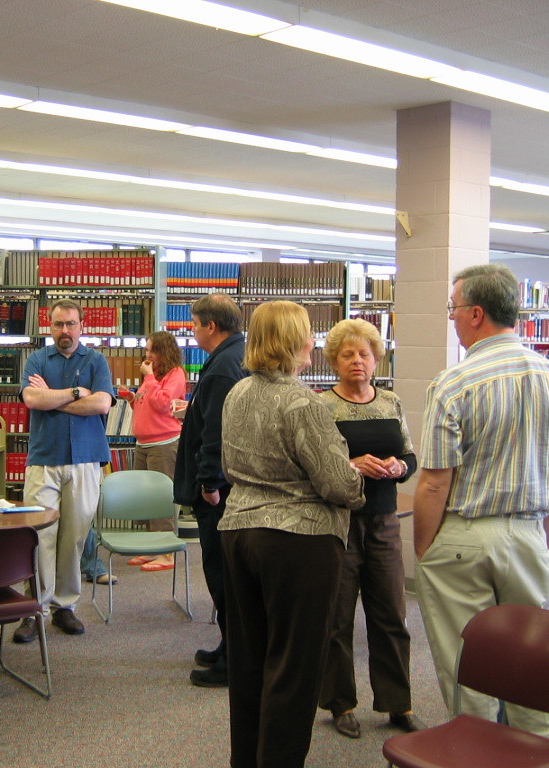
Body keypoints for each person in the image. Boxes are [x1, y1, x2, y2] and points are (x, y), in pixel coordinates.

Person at [414, 263, 549, 740]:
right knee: (530, 669)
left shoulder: (454, 383)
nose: (452, 318)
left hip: (464, 535)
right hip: (530, 534)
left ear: (477, 313)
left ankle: (478, 749)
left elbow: (434, 484)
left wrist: (425, 551)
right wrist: (541, 541)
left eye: (453, 309)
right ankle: (543, 750)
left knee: (470, 674)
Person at [220, 300, 365, 768]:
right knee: (294, 670)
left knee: (250, 664)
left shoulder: (237, 393)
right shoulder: (303, 401)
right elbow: (337, 483)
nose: (313, 343)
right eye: (307, 334)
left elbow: (230, 464)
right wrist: (358, 477)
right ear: (292, 341)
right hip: (297, 543)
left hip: (239, 533)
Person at [317, 319, 424, 739]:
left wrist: (399, 467)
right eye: (347, 354)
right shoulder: (321, 406)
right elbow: (315, 465)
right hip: (339, 523)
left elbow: (411, 456)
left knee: (391, 616)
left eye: (364, 354)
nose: (356, 361)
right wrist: (350, 465)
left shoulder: (392, 403)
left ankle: (399, 703)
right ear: (334, 361)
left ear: (377, 359)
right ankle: (340, 703)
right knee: (337, 617)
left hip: (383, 523)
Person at [12, 299, 113, 644]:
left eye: (70, 324)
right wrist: (74, 394)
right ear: (49, 326)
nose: (64, 331)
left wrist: (53, 398)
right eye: (58, 325)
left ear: (81, 325)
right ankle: (32, 608)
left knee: (74, 536)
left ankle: (64, 606)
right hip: (44, 459)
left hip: (85, 459)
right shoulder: (37, 359)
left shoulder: (96, 360)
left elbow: (102, 403)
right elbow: (31, 400)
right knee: (40, 536)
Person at [173, 292, 247, 687]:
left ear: (211, 326)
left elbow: (216, 434)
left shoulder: (220, 368)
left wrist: (208, 485)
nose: (193, 331)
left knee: (221, 574)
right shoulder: (237, 354)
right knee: (225, 575)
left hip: (219, 494)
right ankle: (228, 645)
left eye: (194, 324)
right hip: (231, 487)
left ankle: (233, 661)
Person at [118, 330, 186, 571]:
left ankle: (167, 553)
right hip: (144, 444)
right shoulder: (154, 377)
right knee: (147, 499)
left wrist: (147, 379)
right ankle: (153, 548)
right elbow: (147, 403)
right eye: (146, 350)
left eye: (151, 350)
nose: (146, 355)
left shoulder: (175, 374)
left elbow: (163, 404)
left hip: (164, 444)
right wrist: (131, 398)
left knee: (162, 499)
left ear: (163, 351)